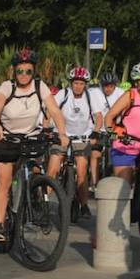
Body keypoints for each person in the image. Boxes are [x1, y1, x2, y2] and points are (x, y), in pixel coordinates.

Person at [0, 48, 68, 248]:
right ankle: (0, 227)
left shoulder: (41, 87)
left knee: (36, 170)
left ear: (34, 72)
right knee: (4, 182)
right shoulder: (7, 87)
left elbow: (54, 110)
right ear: (14, 72)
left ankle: (34, 195)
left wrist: (63, 132)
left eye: (28, 71)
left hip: (31, 137)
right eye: (20, 71)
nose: (24, 75)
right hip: (6, 138)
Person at [52, 66, 102, 219]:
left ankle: (84, 204)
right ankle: (44, 200)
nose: (78, 86)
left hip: (82, 137)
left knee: (81, 171)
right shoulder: (63, 94)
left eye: (81, 83)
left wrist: (96, 132)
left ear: (85, 84)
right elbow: (50, 110)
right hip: (62, 135)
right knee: (53, 166)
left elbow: (98, 116)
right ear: (71, 83)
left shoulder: (90, 96)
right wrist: (48, 128)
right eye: (75, 83)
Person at [105, 62, 140, 183]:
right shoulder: (130, 96)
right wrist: (113, 134)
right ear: (136, 82)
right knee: (123, 188)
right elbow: (109, 117)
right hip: (125, 148)